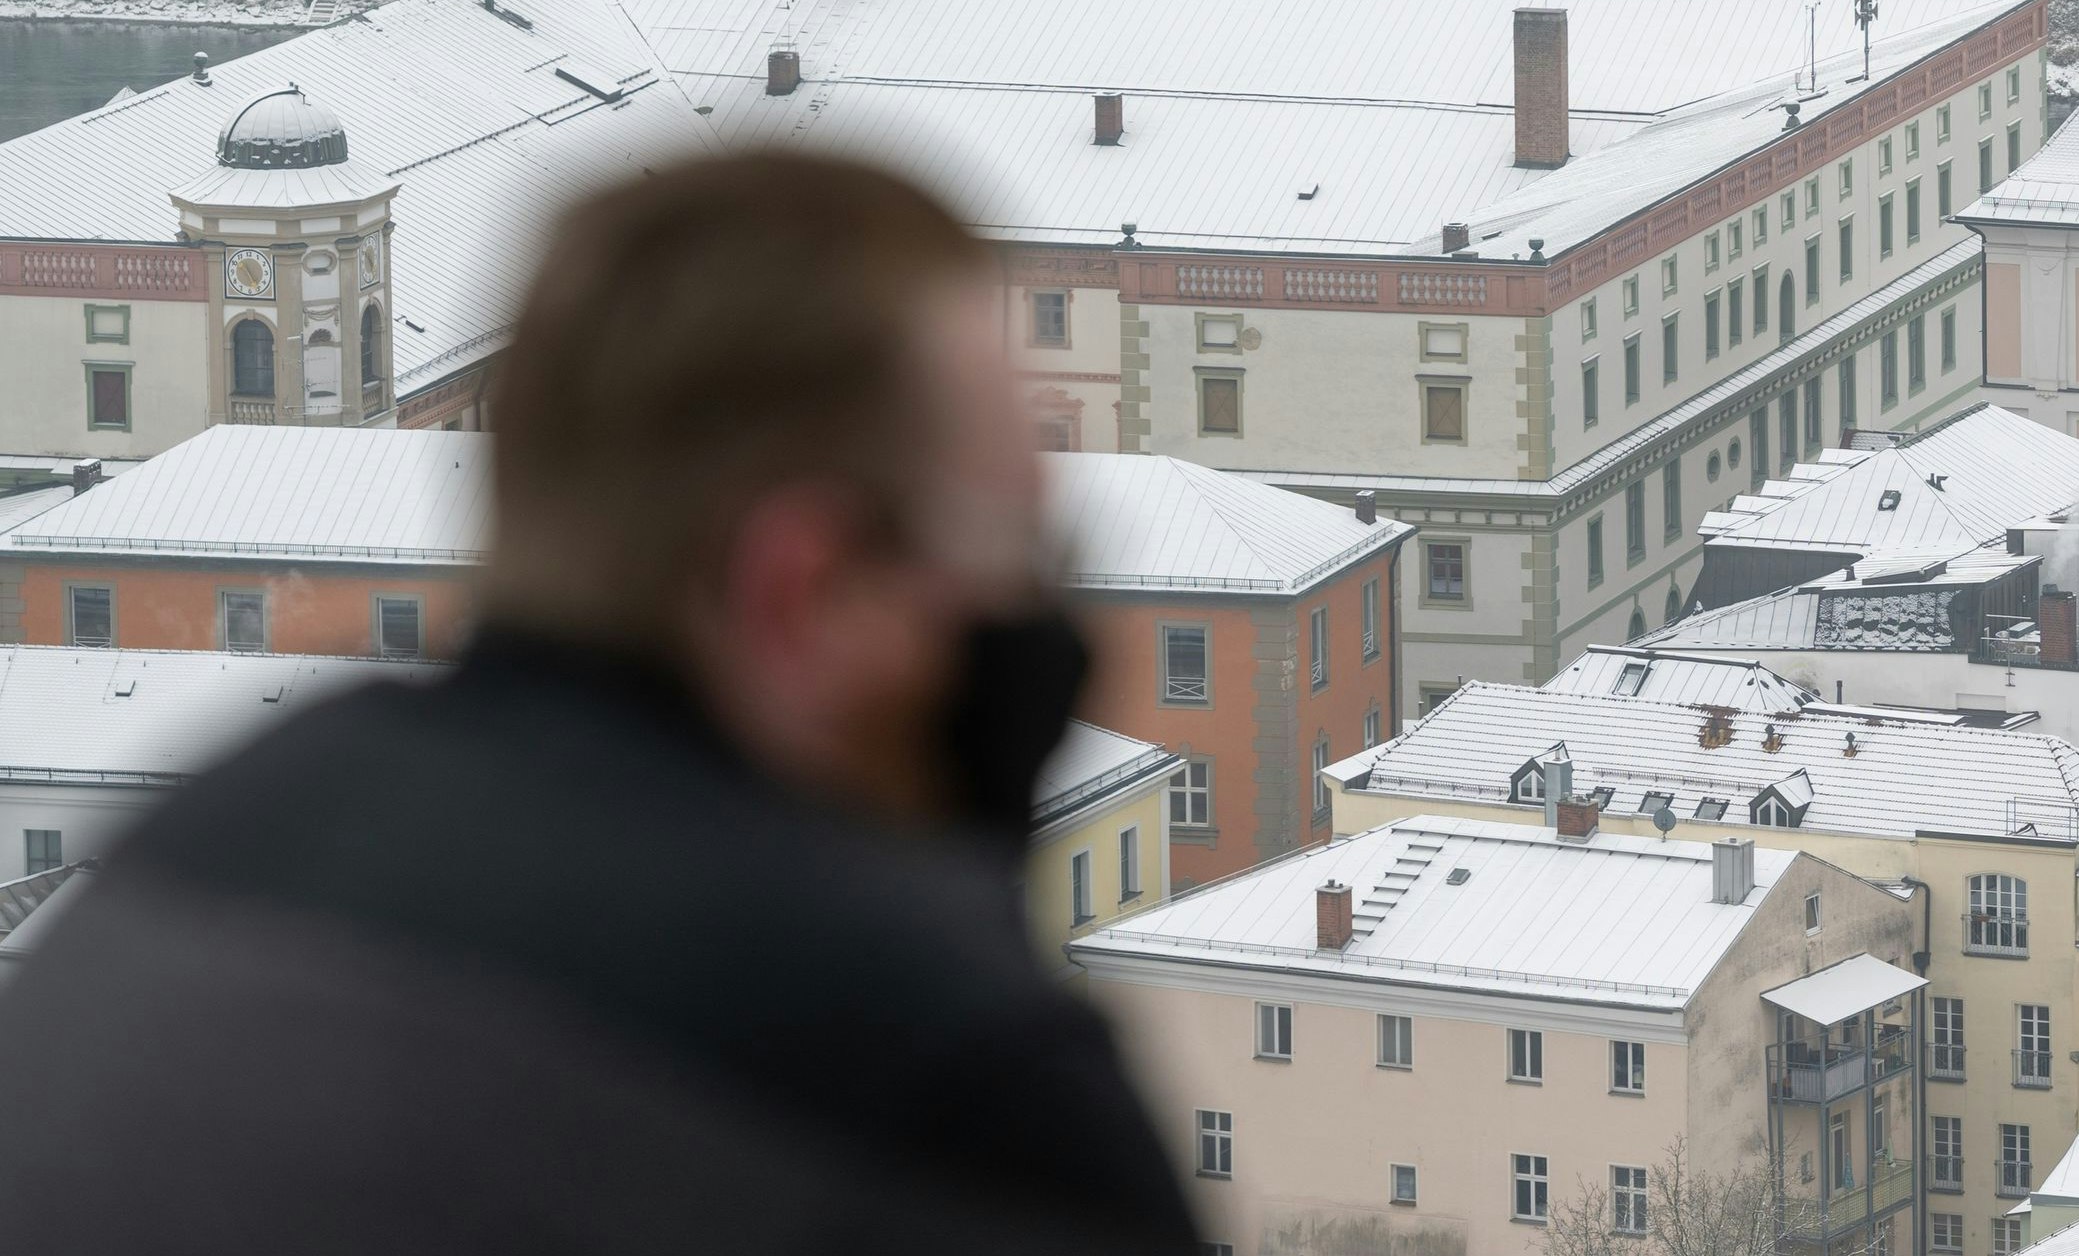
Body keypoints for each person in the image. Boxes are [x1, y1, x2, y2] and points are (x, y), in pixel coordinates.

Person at [0, 154, 1199, 1254]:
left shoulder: (223, 829)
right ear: (807, 586)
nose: (1040, 621)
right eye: (1025, 548)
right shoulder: (941, 1077)